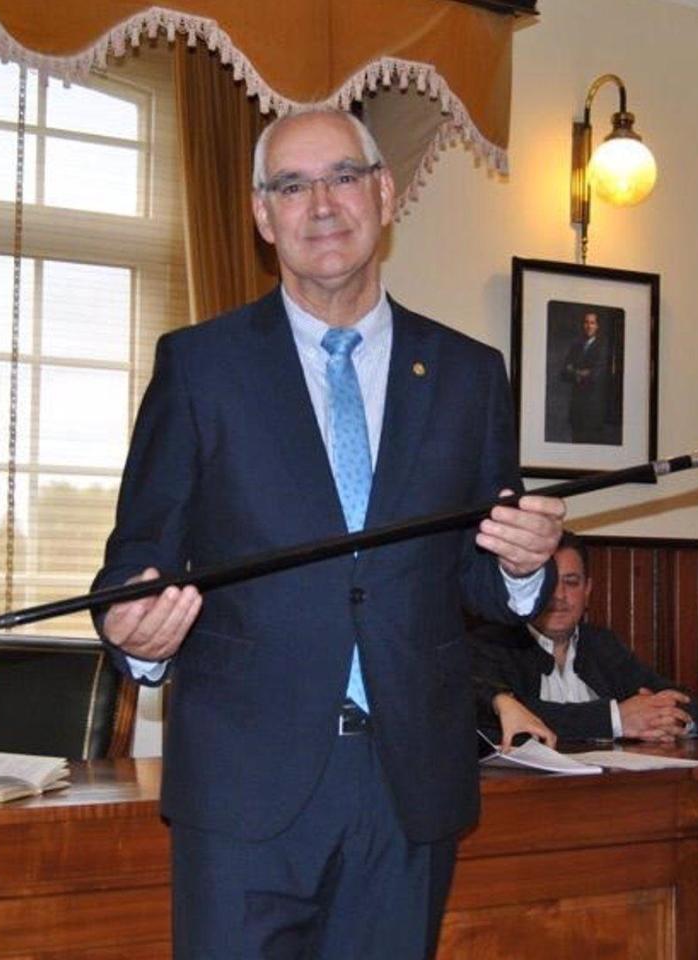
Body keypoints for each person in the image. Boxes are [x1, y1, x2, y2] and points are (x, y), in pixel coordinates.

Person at [91, 107, 566, 958]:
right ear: (262, 215)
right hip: (243, 789)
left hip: (408, 783)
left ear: (383, 194)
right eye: (291, 186)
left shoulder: (467, 374)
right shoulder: (200, 367)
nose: (321, 204)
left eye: (343, 177)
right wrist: (137, 630)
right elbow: (138, 560)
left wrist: (525, 570)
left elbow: (482, 577)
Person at [472, 531, 698, 748]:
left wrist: (667, 718)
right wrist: (615, 719)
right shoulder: (493, 642)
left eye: (571, 582)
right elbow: (499, 717)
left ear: (587, 590)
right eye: (546, 582)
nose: (559, 595)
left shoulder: (601, 644)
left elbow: (687, 702)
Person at [559, 309, 616, 444]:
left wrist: (574, 371)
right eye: (586, 322)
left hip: (594, 408)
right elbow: (564, 373)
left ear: (597, 326)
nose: (589, 326)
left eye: (592, 323)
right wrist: (581, 373)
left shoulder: (603, 347)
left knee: (591, 445)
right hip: (577, 408)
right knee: (576, 444)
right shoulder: (576, 346)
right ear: (582, 325)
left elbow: (596, 375)